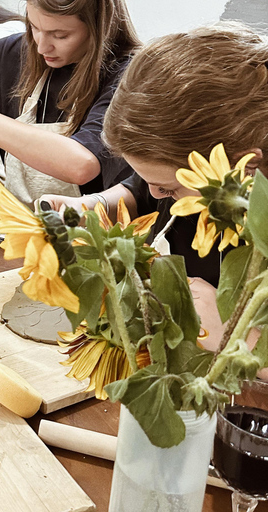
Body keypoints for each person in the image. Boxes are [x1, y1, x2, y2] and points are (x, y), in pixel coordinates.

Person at [40, 24, 268, 377]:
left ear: (244, 166)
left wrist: (233, 337)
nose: (160, 195)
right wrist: (90, 207)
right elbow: (143, 193)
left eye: (170, 188)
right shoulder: (193, 174)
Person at [0, 0, 140, 206]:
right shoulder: (20, 51)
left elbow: (82, 165)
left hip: (92, 239)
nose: (41, 46)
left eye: (60, 35)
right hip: (22, 226)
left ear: (100, 27)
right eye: (34, 27)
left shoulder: (129, 76)